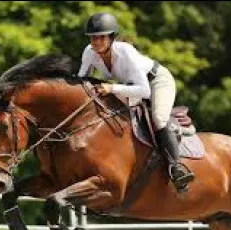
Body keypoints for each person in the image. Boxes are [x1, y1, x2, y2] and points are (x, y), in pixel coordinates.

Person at [77, 12, 194, 193]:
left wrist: (112, 89)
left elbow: (145, 90)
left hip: (156, 81)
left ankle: (176, 168)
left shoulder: (125, 52)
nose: (95, 42)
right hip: (131, 86)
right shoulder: (89, 52)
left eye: (101, 37)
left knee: (158, 119)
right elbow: (81, 80)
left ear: (111, 37)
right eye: (92, 38)